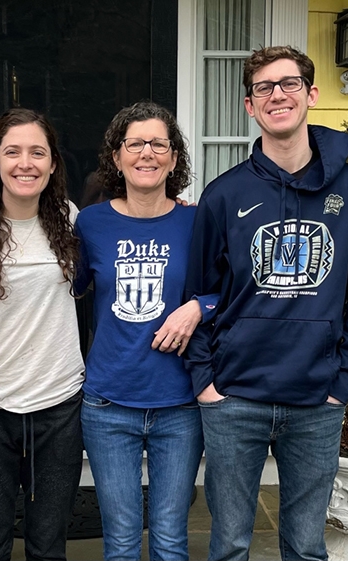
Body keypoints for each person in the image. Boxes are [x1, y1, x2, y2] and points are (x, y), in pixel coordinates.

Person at [184, 46, 348, 561]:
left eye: (289, 83)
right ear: (249, 106)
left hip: (317, 401)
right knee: (228, 544)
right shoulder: (223, 195)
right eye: (263, 88)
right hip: (234, 398)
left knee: (305, 545)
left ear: (311, 94)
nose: (277, 95)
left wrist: (344, 383)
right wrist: (206, 384)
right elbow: (200, 294)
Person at [75, 101, 216, 561]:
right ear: (117, 157)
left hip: (179, 405)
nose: (147, 153)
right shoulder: (91, 223)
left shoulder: (196, 222)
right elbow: (61, 291)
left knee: (171, 538)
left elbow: (230, 289)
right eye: (135, 143)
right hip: (108, 402)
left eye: (159, 144)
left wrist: (197, 306)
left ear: (174, 158)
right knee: (119, 539)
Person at [0, 108, 84, 561]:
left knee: (49, 542)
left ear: (53, 163)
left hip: (59, 403)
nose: (25, 163)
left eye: (38, 152)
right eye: (12, 152)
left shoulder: (70, 220)